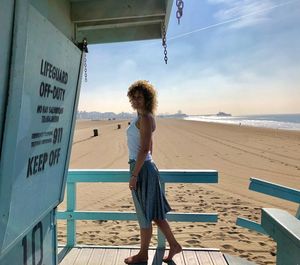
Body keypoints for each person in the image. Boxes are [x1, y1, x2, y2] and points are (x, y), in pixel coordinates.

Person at [125, 80, 182, 264]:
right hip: (144, 167)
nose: (135, 100)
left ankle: (142, 255)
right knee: (155, 213)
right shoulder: (141, 117)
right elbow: (150, 146)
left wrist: (135, 175)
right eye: (133, 97)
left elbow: (144, 150)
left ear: (147, 98)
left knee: (145, 215)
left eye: (139, 97)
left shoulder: (146, 118)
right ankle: (174, 245)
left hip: (141, 168)